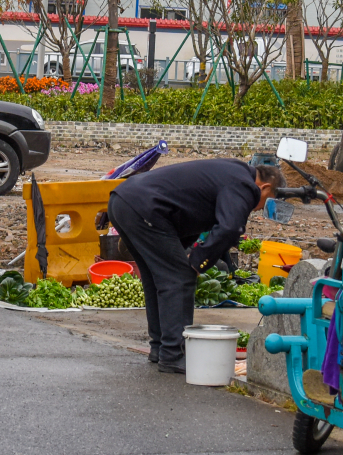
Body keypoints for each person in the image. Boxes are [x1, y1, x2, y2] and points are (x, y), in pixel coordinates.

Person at [106, 157, 280, 373]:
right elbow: (230, 228)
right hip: (144, 207)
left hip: (124, 200)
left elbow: (192, 211)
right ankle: (173, 354)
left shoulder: (232, 172)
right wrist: (198, 262)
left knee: (157, 277)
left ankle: (160, 348)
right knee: (179, 278)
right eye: (266, 202)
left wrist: (191, 255)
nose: (257, 209)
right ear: (265, 187)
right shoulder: (245, 185)